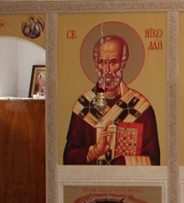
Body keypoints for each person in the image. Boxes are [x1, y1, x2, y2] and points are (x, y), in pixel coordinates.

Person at [63, 35, 160, 165]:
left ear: (123, 65)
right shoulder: (83, 106)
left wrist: (121, 162)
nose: (107, 70)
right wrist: (95, 151)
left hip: (127, 179)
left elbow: (153, 161)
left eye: (113, 62)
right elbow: (68, 159)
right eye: (102, 62)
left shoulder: (140, 108)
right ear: (96, 65)